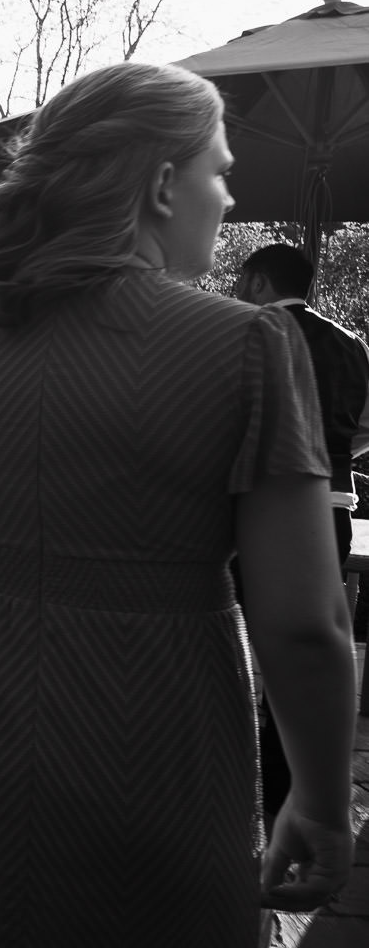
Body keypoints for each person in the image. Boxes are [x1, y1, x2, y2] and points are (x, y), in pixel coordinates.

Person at [0, 61, 357, 946]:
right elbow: (304, 623)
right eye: (220, 172)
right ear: (159, 184)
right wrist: (323, 799)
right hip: (156, 751)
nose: (229, 199)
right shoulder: (249, 346)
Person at [235, 242, 369, 821]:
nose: (240, 290)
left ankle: (239, 761)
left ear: (262, 281)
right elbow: (366, 428)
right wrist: (333, 451)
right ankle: (292, 780)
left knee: (237, 632)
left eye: (244, 279)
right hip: (333, 500)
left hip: (256, 503)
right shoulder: (351, 344)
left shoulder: (250, 333)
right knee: (306, 636)